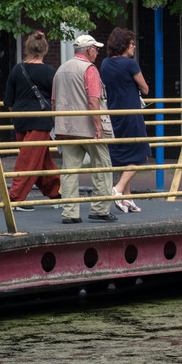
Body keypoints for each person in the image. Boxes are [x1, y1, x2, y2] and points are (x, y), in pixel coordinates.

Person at [53, 33, 115, 224]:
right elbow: (93, 100)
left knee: (69, 170)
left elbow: (54, 102)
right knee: (103, 166)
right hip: (88, 128)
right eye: (95, 49)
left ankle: (70, 212)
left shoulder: (61, 70)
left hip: (66, 127)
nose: (97, 52)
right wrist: (98, 126)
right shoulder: (89, 69)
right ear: (88, 50)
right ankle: (100, 208)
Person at [3, 31, 61, 210]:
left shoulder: (17, 69)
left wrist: (18, 114)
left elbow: (8, 100)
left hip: (20, 119)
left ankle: (54, 193)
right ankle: (16, 198)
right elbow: (55, 99)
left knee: (38, 158)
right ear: (44, 50)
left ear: (27, 48)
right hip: (40, 120)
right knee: (29, 160)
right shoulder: (50, 71)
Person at [101, 27, 150, 213]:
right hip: (131, 114)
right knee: (140, 154)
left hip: (114, 113)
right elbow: (145, 89)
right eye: (131, 43)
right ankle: (118, 189)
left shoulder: (104, 64)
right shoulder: (130, 64)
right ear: (124, 45)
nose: (134, 46)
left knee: (123, 155)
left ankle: (127, 199)